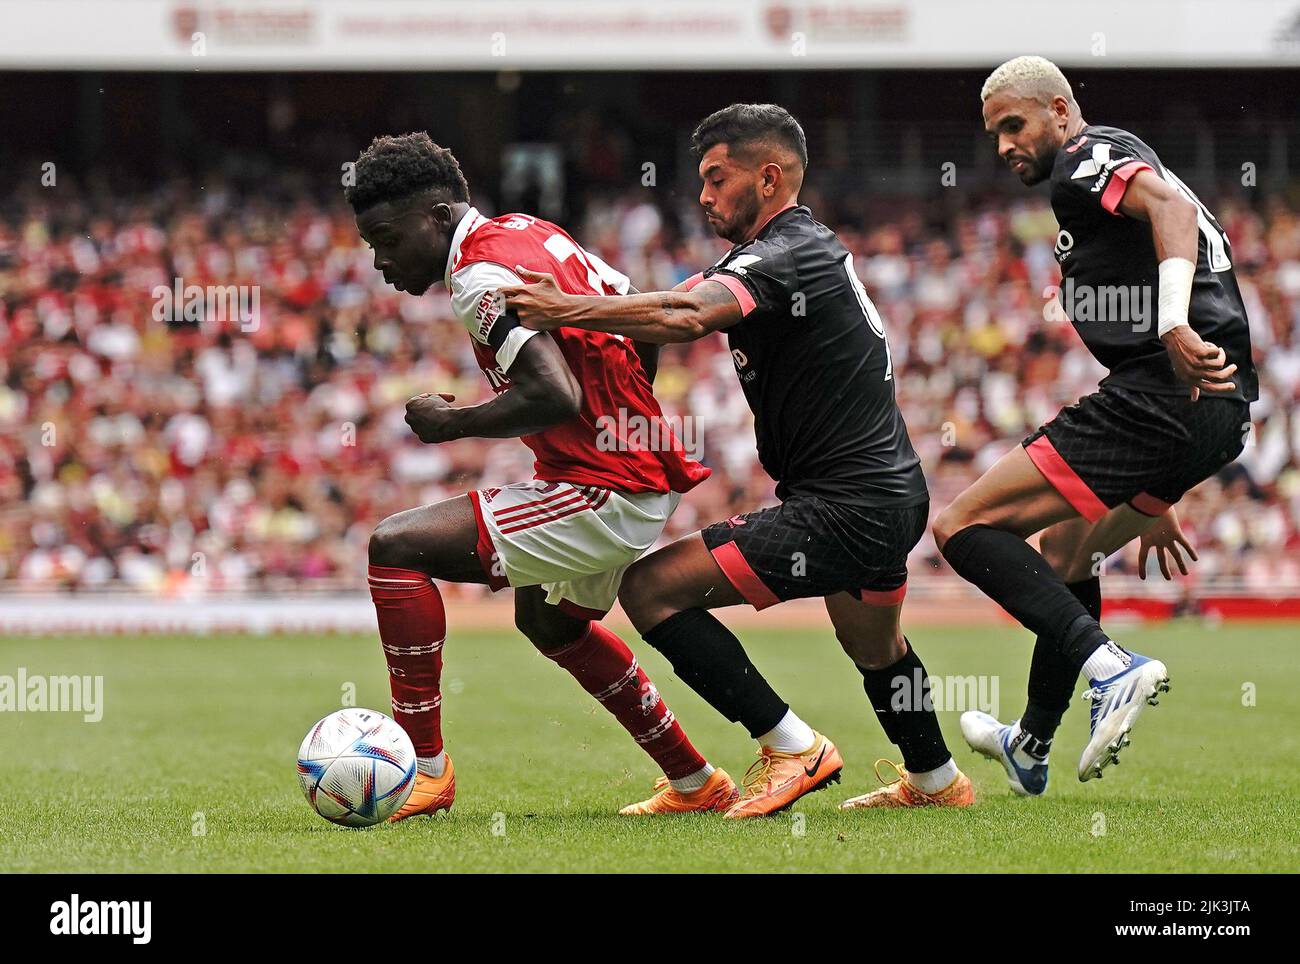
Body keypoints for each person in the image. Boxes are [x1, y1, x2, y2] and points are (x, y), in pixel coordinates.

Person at [501, 104, 974, 817]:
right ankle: (938, 783)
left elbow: (685, 317)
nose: (704, 194)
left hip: (848, 505)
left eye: (719, 178)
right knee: (875, 647)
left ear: (770, 176)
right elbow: (673, 303)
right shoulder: (783, 254)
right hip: (884, 494)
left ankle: (792, 746)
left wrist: (562, 309)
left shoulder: (787, 252)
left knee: (653, 590)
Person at [345, 132, 736, 819]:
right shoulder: (526, 231)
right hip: (627, 471)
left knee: (394, 547)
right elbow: (637, 312)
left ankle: (424, 768)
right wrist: (622, 415)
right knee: (549, 623)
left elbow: (555, 395)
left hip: (603, 487)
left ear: (437, 218)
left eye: (385, 237)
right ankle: (695, 782)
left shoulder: (474, 276)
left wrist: (453, 423)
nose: (380, 260)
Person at [933, 56, 1256, 793]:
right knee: (1066, 551)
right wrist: (1161, 485)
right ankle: (1031, 743)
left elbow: (1171, 208)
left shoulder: (1084, 156)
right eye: (994, 134)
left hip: (1161, 394)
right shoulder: (1089, 192)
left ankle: (1110, 666)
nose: (1005, 144)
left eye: (1014, 124)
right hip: (1214, 414)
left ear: (1058, 109)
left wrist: (1172, 323)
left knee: (962, 527)